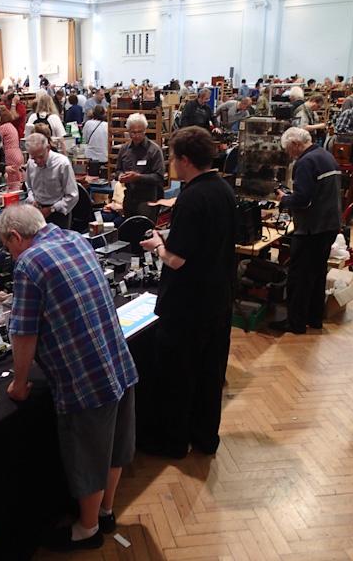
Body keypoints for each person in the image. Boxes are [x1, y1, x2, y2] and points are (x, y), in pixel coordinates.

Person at [0, 204, 138, 551]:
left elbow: (24, 331)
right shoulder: (76, 238)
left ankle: (87, 530)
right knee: (113, 447)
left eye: (7, 246)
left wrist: (19, 383)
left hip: (84, 377)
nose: (10, 255)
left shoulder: (28, 262)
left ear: (15, 237)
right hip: (118, 362)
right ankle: (105, 512)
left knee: (89, 455)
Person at [138, 126, 236, 459]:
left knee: (177, 376)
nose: (172, 164)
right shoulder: (223, 189)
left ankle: (173, 443)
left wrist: (157, 246)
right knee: (210, 374)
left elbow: (177, 260)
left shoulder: (192, 198)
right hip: (218, 298)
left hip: (187, 306)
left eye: (172, 158)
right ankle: (205, 438)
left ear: (184, 160)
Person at [270, 127, 342, 334]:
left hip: (312, 228)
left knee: (299, 277)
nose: (289, 154)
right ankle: (314, 318)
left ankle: (296, 323)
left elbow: (303, 200)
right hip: (329, 225)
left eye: (288, 149)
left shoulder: (305, 162)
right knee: (317, 274)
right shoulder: (326, 156)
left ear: (295, 144)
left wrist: (285, 199)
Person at [115, 113, 165, 222]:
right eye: (133, 132)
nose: (136, 135)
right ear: (128, 131)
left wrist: (138, 177)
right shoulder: (124, 149)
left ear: (145, 130)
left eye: (140, 132)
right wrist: (121, 176)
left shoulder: (154, 150)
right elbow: (118, 170)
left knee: (145, 229)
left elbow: (159, 177)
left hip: (147, 200)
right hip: (129, 198)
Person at [24, 132, 78, 229]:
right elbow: (29, 187)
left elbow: (72, 195)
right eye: (34, 158)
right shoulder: (31, 163)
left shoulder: (62, 163)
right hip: (37, 210)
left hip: (58, 213)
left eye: (41, 156)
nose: (38, 161)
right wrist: (32, 200)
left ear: (48, 148)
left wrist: (51, 209)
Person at [0, 108, 24, 190]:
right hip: (18, 152)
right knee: (18, 178)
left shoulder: (2, 128)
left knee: (11, 181)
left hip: (9, 154)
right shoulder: (12, 126)